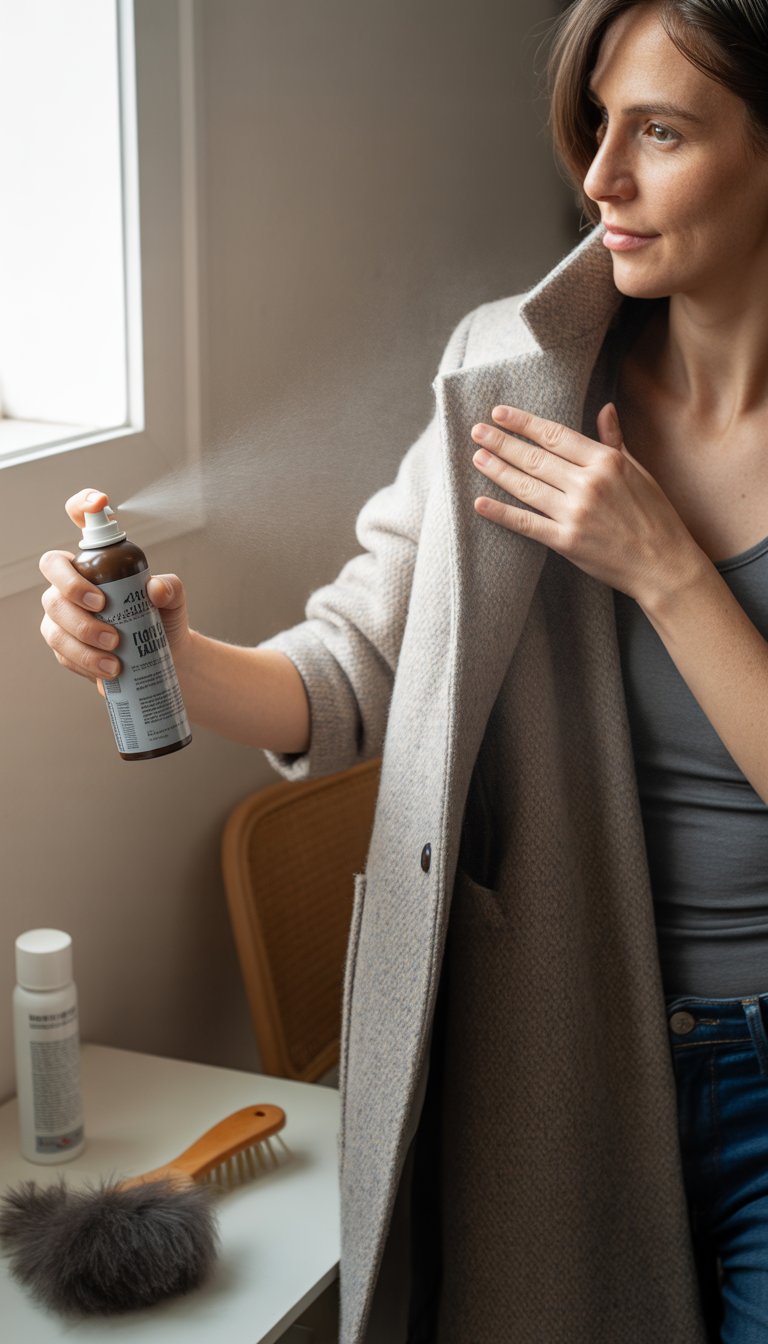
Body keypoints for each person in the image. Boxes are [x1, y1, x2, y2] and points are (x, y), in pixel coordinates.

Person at [38, 0, 768, 1339]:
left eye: (659, 130)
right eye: (597, 123)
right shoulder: (513, 378)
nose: (599, 175)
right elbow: (351, 669)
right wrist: (172, 659)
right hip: (570, 1040)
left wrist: (664, 569)